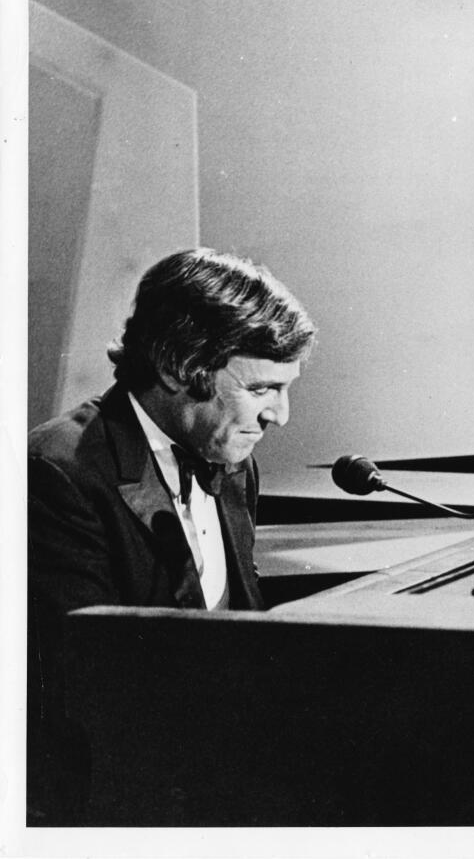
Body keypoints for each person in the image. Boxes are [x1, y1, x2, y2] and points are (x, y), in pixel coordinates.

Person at [27, 248, 316, 823]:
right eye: (260, 389)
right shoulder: (58, 472)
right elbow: (91, 687)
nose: (280, 415)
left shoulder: (228, 452)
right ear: (178, 368)